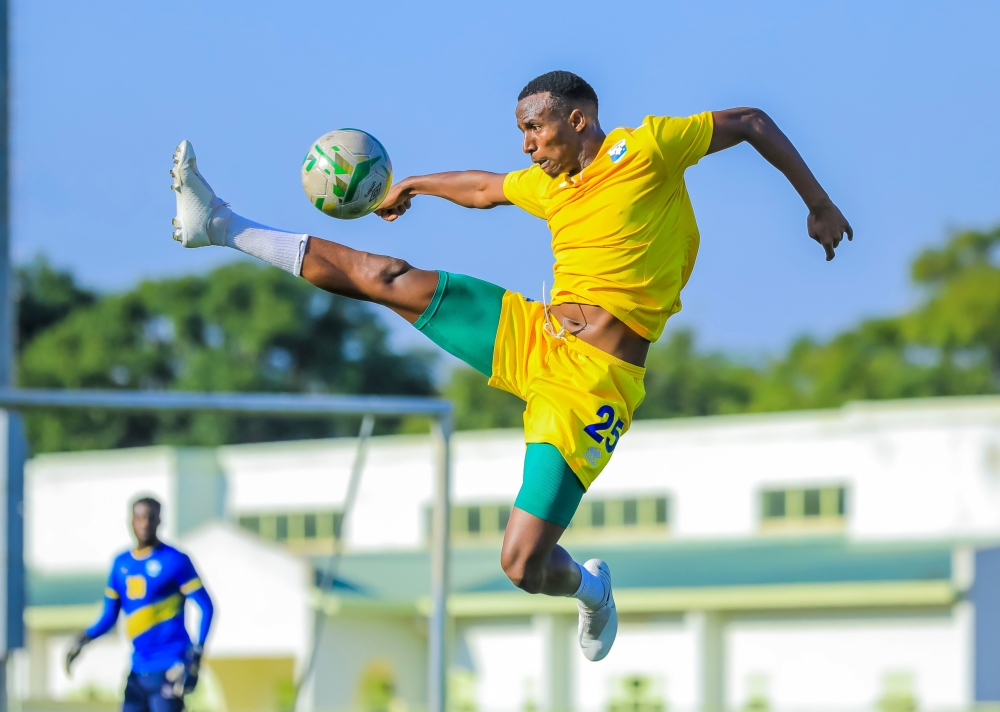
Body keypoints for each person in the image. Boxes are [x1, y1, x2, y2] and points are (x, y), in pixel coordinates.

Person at [169, 70, 851, 661]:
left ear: (576, 119)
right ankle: (221, 224)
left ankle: (591, 590)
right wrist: (415, 184)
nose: (527, 143)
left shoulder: (644, 148)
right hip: (532, 335)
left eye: (535, 127)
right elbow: (487, 188)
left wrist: (817, 204)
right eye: (522, 130)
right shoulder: (550, 187)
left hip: (590, 385)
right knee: (386, 276)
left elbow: (753, 121)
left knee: (521, 563)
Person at [65, 497, 214, 711]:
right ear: (131, 521)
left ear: (159, 521)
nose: (145, 524)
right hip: (138, 669)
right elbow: (109, 615)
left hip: (170, 666)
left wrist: (196, 655)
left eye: (151, 518)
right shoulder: (121, 564)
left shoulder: (175, 560)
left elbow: (206, 607)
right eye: (140, 518)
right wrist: (83, 638)